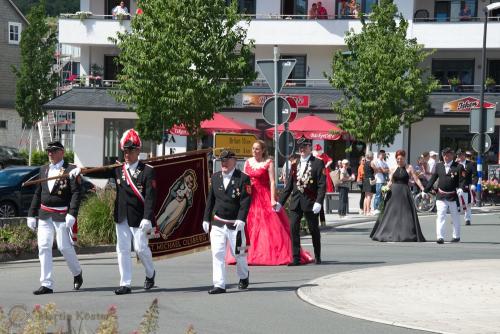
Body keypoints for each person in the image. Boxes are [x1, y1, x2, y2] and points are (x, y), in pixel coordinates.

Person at [71, 129, 156, 295]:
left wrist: (147, 217)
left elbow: (151, 197)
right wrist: (81, 170)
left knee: (140, 249)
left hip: (139, 217)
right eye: (125, 151)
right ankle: (125, 283)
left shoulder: (147, 171)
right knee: (122, 249)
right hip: (121, 214)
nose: (127, 154)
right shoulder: (118, 169)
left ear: (138, 151)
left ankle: (150, 273)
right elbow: (100, 171)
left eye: (131, 150)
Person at [227, 140, 313, 266]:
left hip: (264, 195)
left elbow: (272, 181)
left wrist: (273, 198)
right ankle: (246, 254)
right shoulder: (248, 162)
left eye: (257, 149)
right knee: (249, 226)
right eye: (253, 148)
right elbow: (244, 180)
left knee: (267, 227)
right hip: (250, 197)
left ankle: (266, 254)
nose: (254, 151)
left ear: (262, 150)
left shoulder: (268, 162)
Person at [27, 141, 83, 295]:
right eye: (48, 151)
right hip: (44, 214)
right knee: (44, 247)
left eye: (53, 150)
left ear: (62, 152)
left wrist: (72, 213)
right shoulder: (44, 169)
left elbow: (77, 193)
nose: (50, 153)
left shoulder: (71, 169)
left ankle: (77, 273)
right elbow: (38, 193)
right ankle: (46, 284)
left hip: (61, 214)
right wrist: (31, 214)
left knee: (64, 247)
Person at [202, 150, 251, 294]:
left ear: (234, 161)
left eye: (226, 160)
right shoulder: (216, 177)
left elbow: (246, 201)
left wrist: (242, 219)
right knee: (217, 253)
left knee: (239, 254)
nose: (223, 163)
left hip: (235, 223)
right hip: (218, 222)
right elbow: (210, 200)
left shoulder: (243, 178)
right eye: (222, 161)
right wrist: (206, 218)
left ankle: (243, 275)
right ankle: (219, 284)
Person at [279, 137, 326, 265]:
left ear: (310, 147)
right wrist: (280, 203)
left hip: (311, 202)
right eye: (300, 148)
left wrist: (319, 201)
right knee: (294, 229)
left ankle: (317, 255)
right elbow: (289, 186)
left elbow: (322, 185)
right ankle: (296, 258)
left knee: (313, 230)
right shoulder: (294, 165)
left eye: (305, 147)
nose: (302, 149)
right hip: (296, 202)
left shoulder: (318, 163)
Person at [370, 150, 426, 242]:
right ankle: (388, 232)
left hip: (404, 191)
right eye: (398, 158)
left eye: (401, 158)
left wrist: (423, 189)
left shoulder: (409, 167)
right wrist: (385, 188)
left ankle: (406, 234)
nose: (399, 160)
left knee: (406, 213)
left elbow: (416, 179)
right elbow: (390, 181)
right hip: (393, 192)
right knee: (391, 213)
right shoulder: (393, 168)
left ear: (404, 158)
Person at [424, 147, 466, 244]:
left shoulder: (458, 166)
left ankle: (456, 236)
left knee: (455, 217)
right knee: (440, 216)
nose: (446, 157)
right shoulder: (439, 166)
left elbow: (462, 180)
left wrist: (461, 188)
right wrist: (425, 190)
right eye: (444, 155)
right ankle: (440, 237)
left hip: (453, 196)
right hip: (441, 195)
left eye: (448, 155)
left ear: (452, 155)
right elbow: (433, 179)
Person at [456, 149, 477, 225]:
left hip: (467, 186)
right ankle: (455, 218)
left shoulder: (470, 164)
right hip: (458, 187)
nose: (460, 157)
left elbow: (475, 175)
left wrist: (474, 184)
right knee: (456, 204)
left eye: (461, 155)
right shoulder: (456, 165)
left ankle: (467, 219)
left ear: (464, 155)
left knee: (467, 203)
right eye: (459, 155)